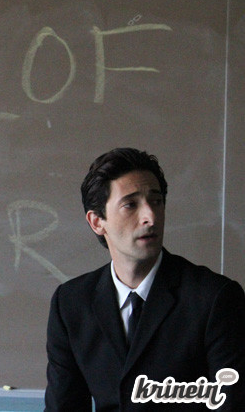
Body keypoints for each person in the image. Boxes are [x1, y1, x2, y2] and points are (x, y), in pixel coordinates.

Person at [45, 147, 245, 411]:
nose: (150, 217)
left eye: (156, 201)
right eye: (130, 205)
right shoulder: (71, 303)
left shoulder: (214, 299)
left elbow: (231, 405)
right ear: (97, 222)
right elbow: (63, 406)